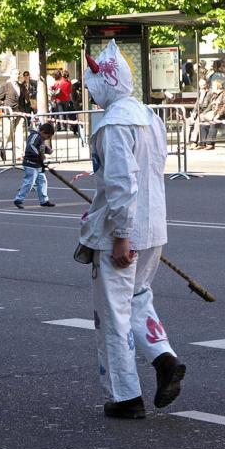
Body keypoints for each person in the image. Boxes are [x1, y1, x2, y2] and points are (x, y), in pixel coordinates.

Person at [79, 40, 185, 420]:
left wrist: (122, 233)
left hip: (123, 233)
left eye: (92, 87)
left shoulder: (113, 123)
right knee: (138, 296)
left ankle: (125, 395)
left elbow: (123, 181)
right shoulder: (147, 115)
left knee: (114, 314)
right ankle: (162, 357)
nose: (90, 95)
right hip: (153, 225)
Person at [12, 122, 55, 209]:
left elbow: (41, 147)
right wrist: (39, 155)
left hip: (38, 165)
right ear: (43, 132)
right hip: (30, 163)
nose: (48, 138)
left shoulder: (41, 138)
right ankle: (18, 199)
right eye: (48, 136)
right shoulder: (35, 136)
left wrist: (48, 150)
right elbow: (31, 146)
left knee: (42, 181)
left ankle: (44, 200)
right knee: (29, 182)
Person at [0, 71, 33, 162]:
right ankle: (3, 148)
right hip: (9, 113)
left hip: (20, 112)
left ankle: (19, 154)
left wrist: (26, 105)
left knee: (19, 133)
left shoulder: (21, 86)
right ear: (11, 75)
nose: (18, 76)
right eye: (16, 74)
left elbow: (26, 99)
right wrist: (6, 108)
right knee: (8, 133)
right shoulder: (5, 86)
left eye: (18, 74)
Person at [194, 77, 225, 150]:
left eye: (213, 86)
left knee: (213, 124)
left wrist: (218, 115)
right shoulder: (214, 95)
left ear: (217, 87)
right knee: (203, 123)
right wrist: (205, 114)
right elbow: (210, 105)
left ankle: (210, 143)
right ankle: (202, 143)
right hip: (214, 113)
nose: (212, 87)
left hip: (223, 114)